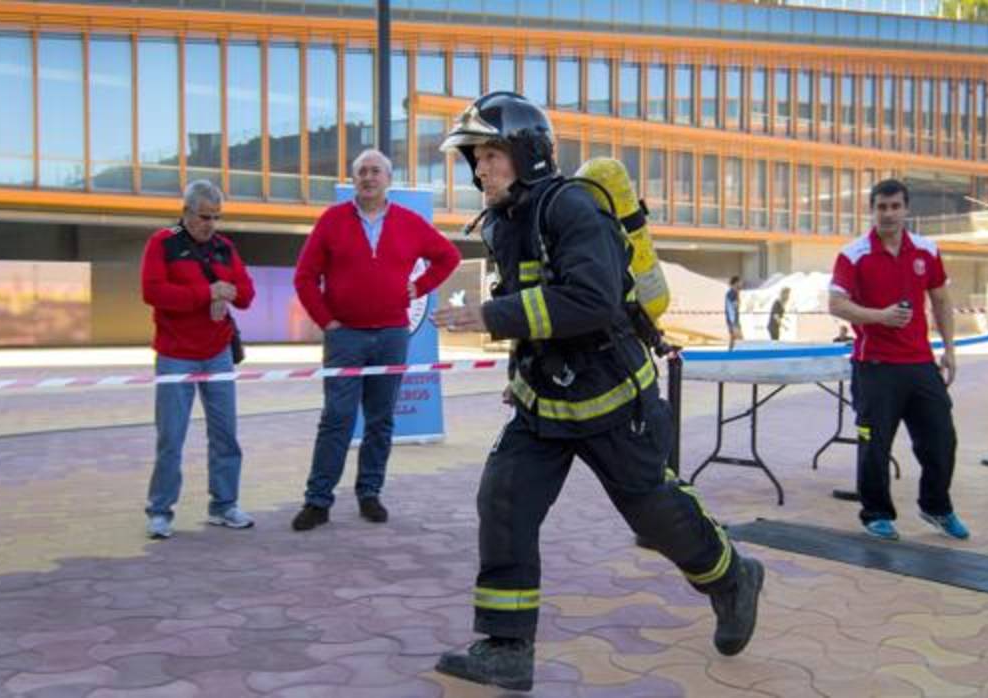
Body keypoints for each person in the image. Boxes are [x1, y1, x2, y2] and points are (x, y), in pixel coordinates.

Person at [430, 91, 763, 692]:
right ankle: (507, 646)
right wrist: (517, 375)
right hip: (543, 404)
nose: (479, 170)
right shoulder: (507, 223)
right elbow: (537, 315)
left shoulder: (573, 208)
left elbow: (591, 302)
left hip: (614, 402)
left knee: (654, 516)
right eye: (474, 158)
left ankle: (732, 578)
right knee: (503, 500)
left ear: (527, 154)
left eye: (490, 155)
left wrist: (492, 315)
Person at [291, 149, 461, 530]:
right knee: (337, 419)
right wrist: (326, 320)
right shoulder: (333, 221)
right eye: (362, 172)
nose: (368, 177)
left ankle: (370, 494)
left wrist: (418, 288)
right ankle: (317, 501)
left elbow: (447, 257)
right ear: (355, 180)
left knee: (381, 421)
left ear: (388, 179)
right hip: (345, 337)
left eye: (375, 171)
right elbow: (304, 276)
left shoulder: (409, 222)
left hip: (391, 335)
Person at [828, 178, 968, 543]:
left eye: (895, 207)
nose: (888, 214)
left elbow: (940, 300)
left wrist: (949, 349)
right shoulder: (853, 254)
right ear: (871, 210)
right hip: (874, 365)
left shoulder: (926, 250)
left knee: (941, 440)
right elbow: (836, 304)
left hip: (921, 364)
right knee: (874, 444)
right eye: (881, 207)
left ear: (906, 209)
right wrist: (880, 316)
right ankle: (876, 513)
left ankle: (936, 506)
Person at [139, 180, 256, 539]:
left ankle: (224, 506)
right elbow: (153, 292)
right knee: (171, 437)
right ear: (187, 212)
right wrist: (205, 293)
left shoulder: (224, 247)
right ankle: (160, 511)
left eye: (217, 217)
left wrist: (228, 291)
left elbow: (248, 294)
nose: (211, 224)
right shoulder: (162, 243)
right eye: (205, 216)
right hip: (176, 356)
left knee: (226, 435)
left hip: (218, 354)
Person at [725, 275, 743, 348]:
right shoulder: (732, 293)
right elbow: (735, 306)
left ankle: (730, 354)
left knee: (734, 338)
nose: (741, 284)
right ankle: (734, 355)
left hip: (733, 319)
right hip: (733, 320)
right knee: (739, 339)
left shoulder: (732, 292)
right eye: (740, 282)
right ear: (736, 283)